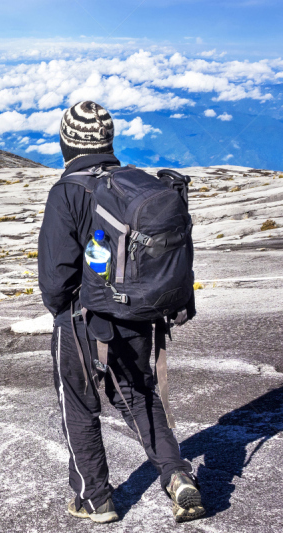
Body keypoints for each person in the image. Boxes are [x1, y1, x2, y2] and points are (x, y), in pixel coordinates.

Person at [38, 101, 205, 524]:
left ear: (66, 143)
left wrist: (63, 312)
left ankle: (94, 499)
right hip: (137, 314)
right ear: (109, 142)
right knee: (138, 396)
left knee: (79, 404)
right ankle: (178, 475)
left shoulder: (68, 192)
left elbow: (55, 279)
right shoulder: (131, 183)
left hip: (82, 321)